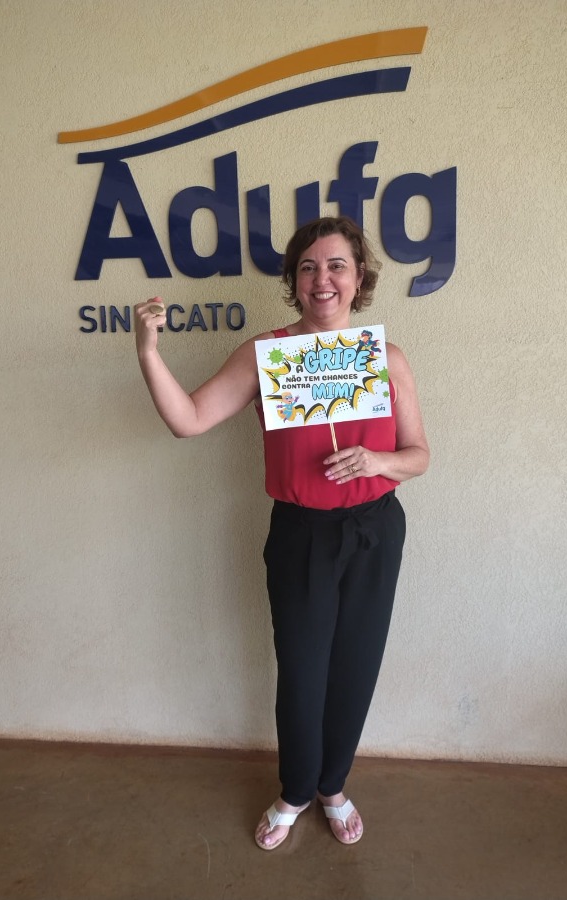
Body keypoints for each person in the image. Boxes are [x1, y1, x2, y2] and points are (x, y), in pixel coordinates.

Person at [134, 216, 429, 851]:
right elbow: (189, 419)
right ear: (294, 281)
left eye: (337, 266)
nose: (323, 279)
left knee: (356, 665)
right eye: (308, 267)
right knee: (301, 670)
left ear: (359, 278)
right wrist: (148, 353)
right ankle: (296, 790)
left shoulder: (387, 359)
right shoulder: (267, 355)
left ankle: (334, 787)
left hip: (376, 531)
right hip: (301, 533)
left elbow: (419, 456)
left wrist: (378, 461)